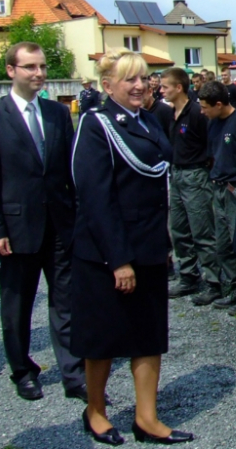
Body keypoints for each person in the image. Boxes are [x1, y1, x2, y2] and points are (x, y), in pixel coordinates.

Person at [71, 49, 193, 445]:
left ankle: (147, 417)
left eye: (144, 78)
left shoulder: (149, 121)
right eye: (130, 80)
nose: (141, 86)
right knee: (102, 339)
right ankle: (96, 411)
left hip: (150, 248)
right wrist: (119, 260)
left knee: (148, 336)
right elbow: (95, 198)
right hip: (109, 254)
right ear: (108, 86)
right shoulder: (97, 125)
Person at [0, 42, 86, 402]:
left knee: (65, 301)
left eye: (43, 67)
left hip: (60, 225)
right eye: (30, 67)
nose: (39, 74)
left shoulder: (56, 113)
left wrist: (79, 216)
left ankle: (73, 374)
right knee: (17, 305)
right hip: (17, 230)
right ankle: (22, 370)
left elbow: (69, 170)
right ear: (11, 71)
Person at [161, 68, 221, 304]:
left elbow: (211, 144)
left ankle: (214, 281)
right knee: (178, 229)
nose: (160, 90)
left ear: (178, 88)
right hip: (176, 175)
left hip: (195, 176)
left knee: (202, 230)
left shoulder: (197, 112)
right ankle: (188, 275)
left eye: (165, 86)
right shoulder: (170, 113)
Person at [198, 81, 236, 309]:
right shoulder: (212, 124)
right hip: (217, 188)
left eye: (205, 107)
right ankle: (235, 286)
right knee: (223, 244)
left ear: (219, 104)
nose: (202, 112)